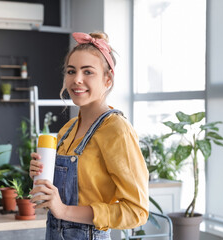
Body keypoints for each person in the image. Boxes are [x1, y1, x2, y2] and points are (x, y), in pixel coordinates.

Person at [29, 31, 149, 240]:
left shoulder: (117, 129)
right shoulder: (68, 129)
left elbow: (136, 212)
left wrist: (64, 210)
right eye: (71, 71)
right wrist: (41, 178)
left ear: (107, 80)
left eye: (88, 72)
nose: (77, 80)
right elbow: (62, 197)